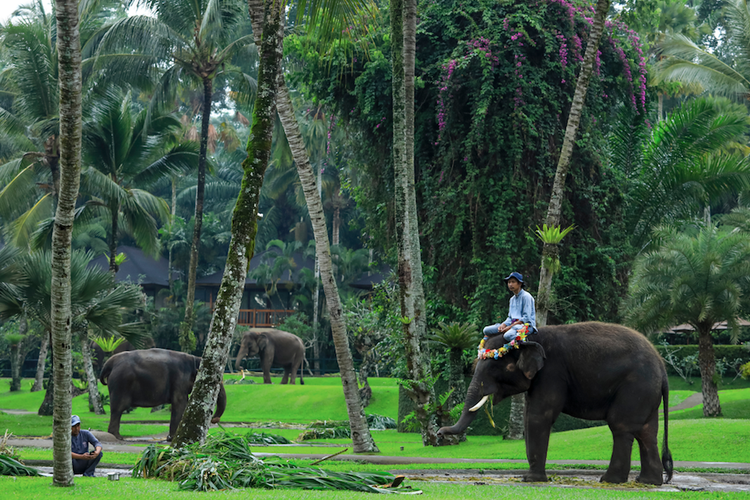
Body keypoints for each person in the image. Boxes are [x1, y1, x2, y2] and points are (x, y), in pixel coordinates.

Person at [483, 271, 537, 342]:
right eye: (509, 282)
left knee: (507, 335)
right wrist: (503, 325)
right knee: (486, 330)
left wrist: (509, 327)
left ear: (520, 283)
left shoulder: (526, 297)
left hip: (526, 326)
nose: (510, 284)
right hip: (513, 325)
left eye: (513, 282)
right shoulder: (512, 299)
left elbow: (526, 318)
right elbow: (510, 317)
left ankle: (524, 344)